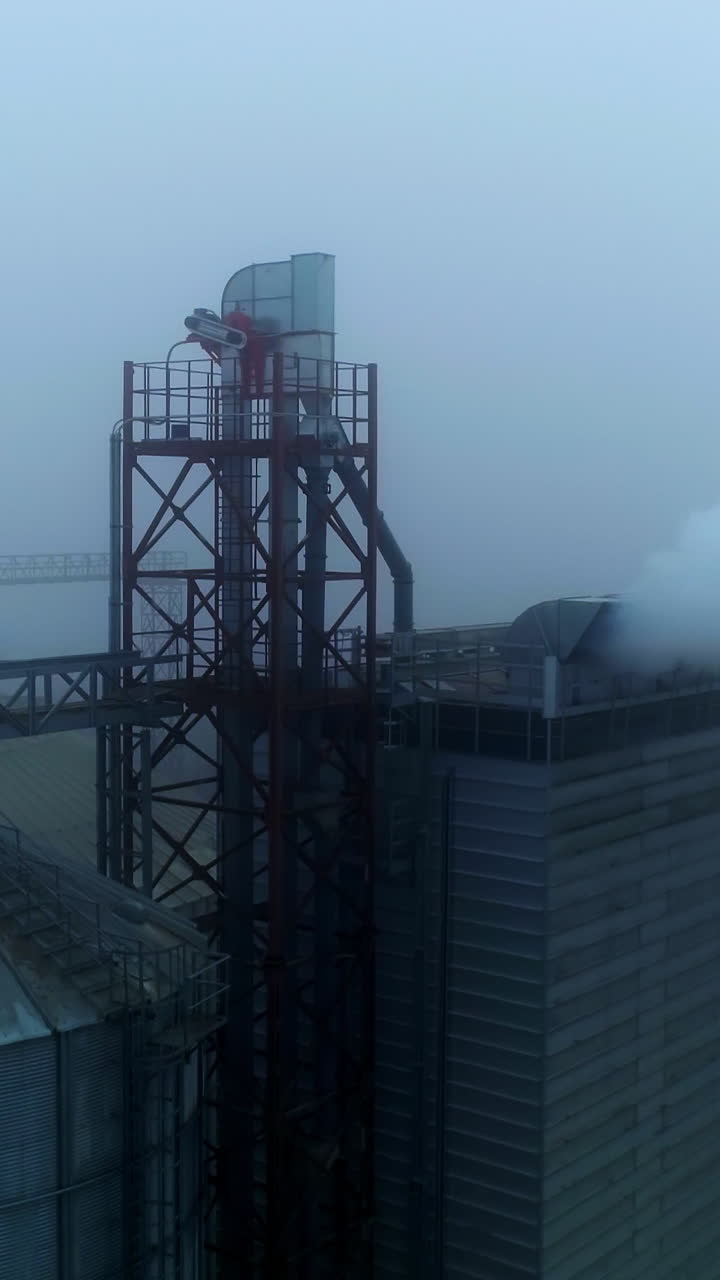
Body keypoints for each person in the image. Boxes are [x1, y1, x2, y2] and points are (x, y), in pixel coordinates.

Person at [189, 308, 267, 398]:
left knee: (249, 367)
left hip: (246, 346)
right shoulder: (237, 322)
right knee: (251, 367)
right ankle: (253, 391)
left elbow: (229, 336)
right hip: (244, 345)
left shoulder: (235, 322)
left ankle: (249, 391)